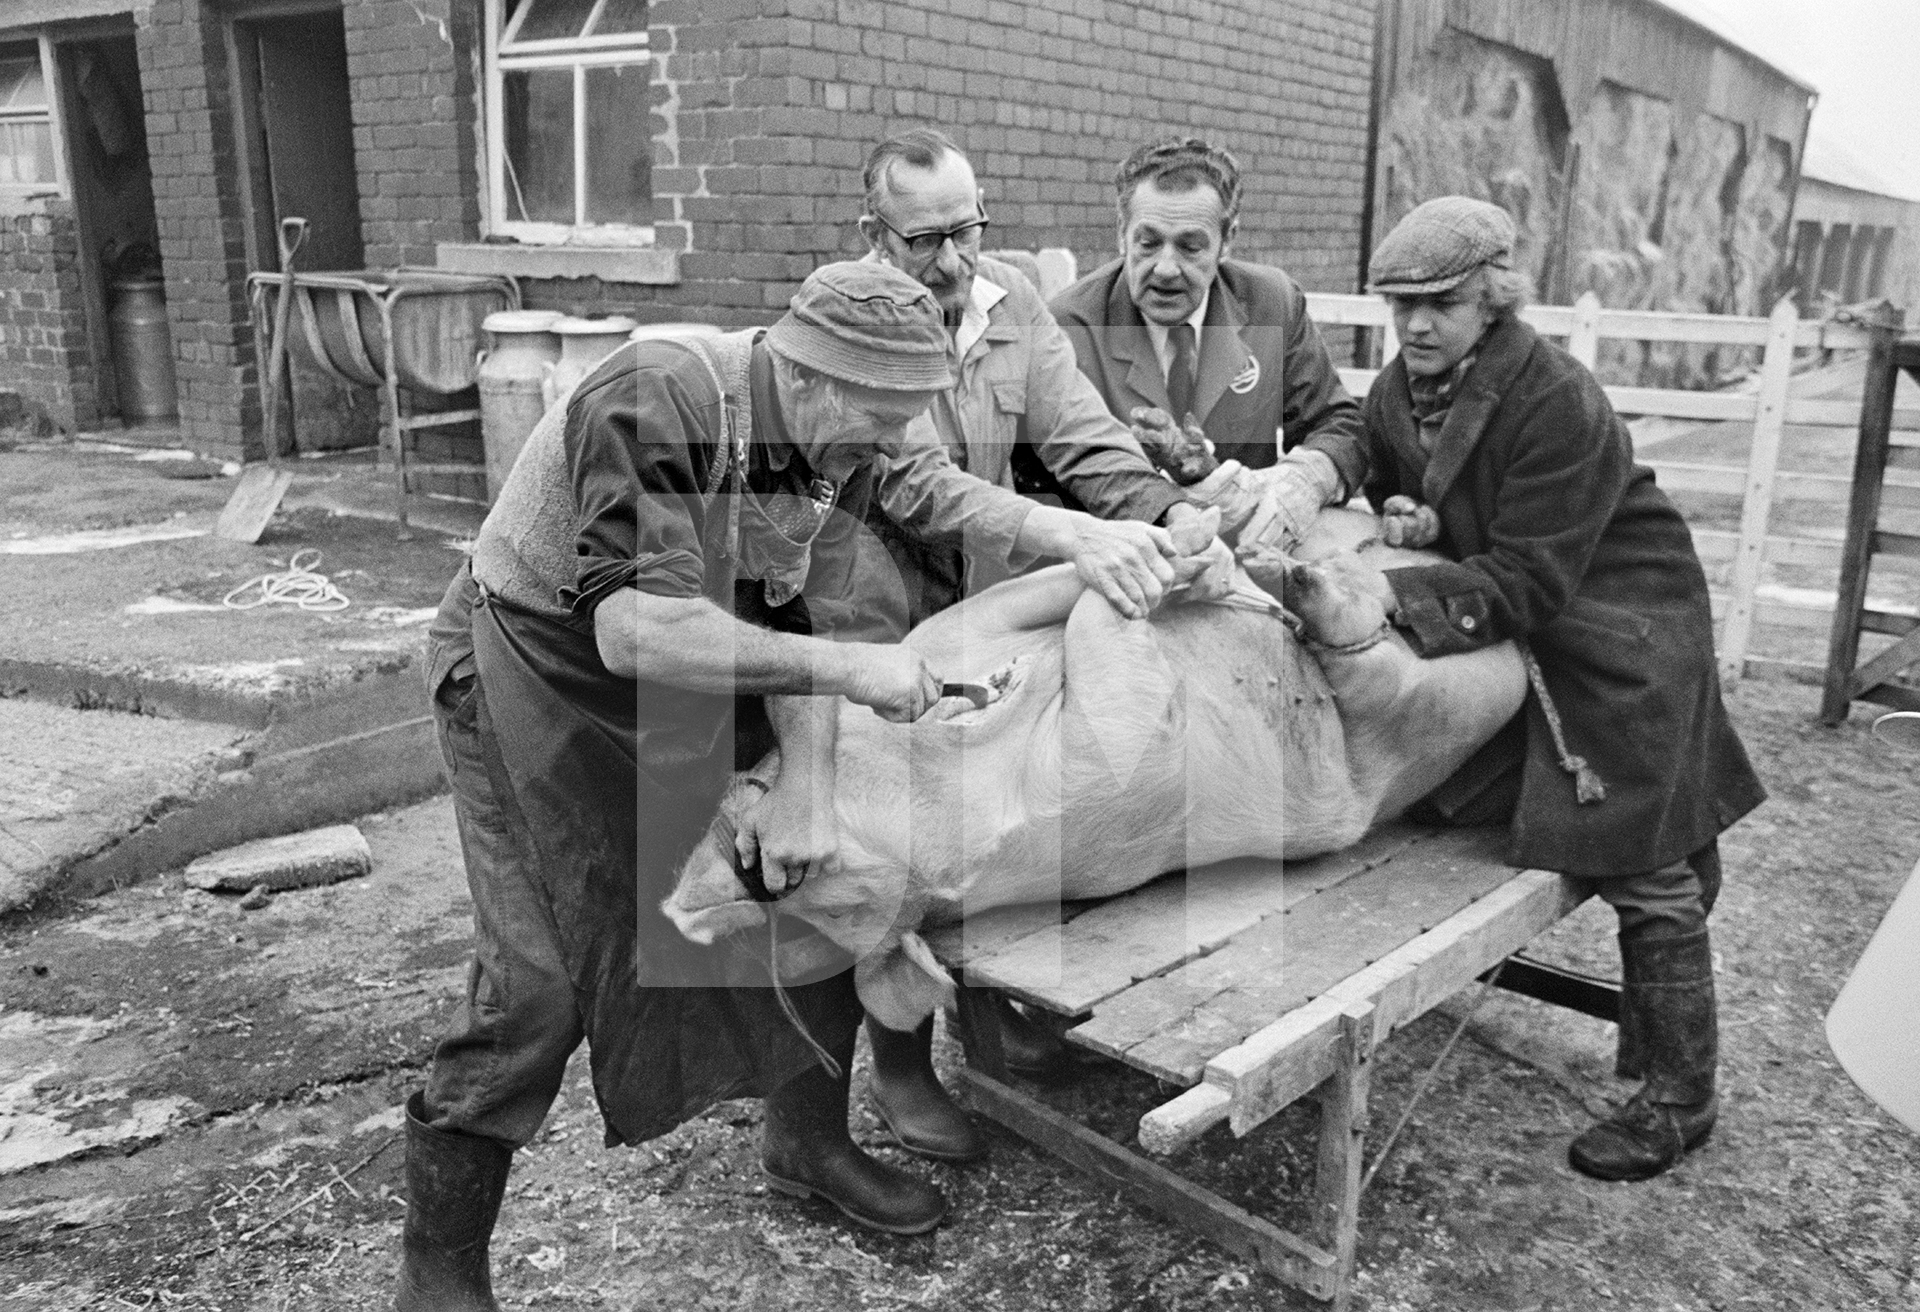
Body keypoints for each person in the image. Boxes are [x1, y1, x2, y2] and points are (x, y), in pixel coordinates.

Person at [398, 262, 1191, 1310]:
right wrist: (849, 675)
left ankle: (807, 1141)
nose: (887, 454)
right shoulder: (660, 396)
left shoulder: (833, 436)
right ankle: (440, 1269)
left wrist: (809, 787)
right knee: (541, 973)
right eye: (878, 426)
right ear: (814, 382)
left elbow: (808, 607)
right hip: (534, 660)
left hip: (702, 648)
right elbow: (632, 628)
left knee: (825, 865)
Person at [1306, 195, 1767, 1182]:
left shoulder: (1557, 397)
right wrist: (1348, 483)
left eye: (1441, 304)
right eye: (1402, 307)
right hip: (1524, 620)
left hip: (1620, 628)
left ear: (1494, 300)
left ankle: (1684, 1096)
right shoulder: (1401, 386)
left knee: (1646, 861)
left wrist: (1381, 593)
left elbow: (1529, 581)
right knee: (1462, 797)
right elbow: (1380, 452)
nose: (1417, 325)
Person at [850, 126, 1222, 1166]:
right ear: (872, 234)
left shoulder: (1011, 300)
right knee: (899, 830)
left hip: (990, 597)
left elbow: (1082, 434)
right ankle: (900, 1056)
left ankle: (997, 1010)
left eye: (968, 228)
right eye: (925, 239)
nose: (955, 260)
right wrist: (1069, 534)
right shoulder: (851, 316)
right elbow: (917, 486)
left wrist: (1162, 510)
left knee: (1016, 800)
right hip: (872, 599)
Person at [1049, 135, 1365, 553]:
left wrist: (1309, 478)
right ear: (1120, 233)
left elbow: (1341, 426)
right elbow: (1050, 474)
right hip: (1124, 562)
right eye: (1147, 243)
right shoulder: (1069, 326)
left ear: (1227, 241)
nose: (1164, 268)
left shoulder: (1272, 302)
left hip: (1247, 558)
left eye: (1190, 246)